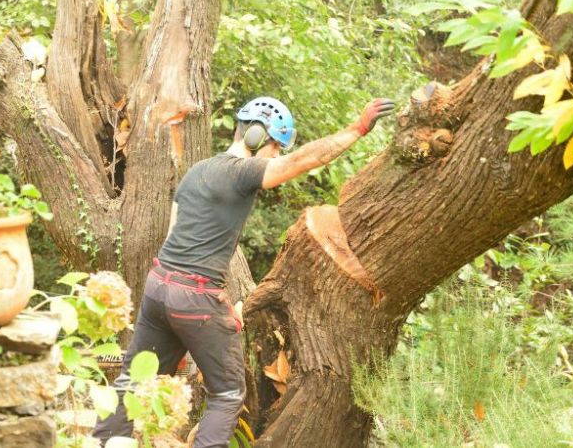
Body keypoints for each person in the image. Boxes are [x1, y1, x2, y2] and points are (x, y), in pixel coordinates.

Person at [92, 96, 395, 447]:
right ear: (255, 137)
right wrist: (357, 129)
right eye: (275, 147)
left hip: (159, 285)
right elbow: (305, 159)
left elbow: (173, 236)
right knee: (227, 393)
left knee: (132, 380)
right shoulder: (242, 172)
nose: (276, 156)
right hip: (195, 296)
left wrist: (187, 316)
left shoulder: (197, 171)